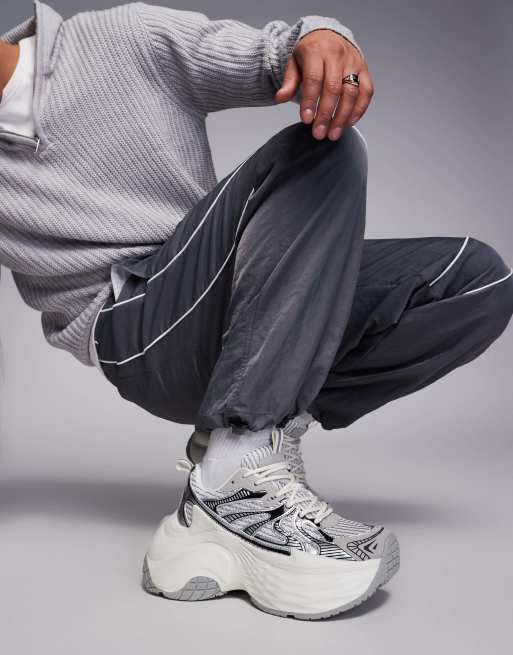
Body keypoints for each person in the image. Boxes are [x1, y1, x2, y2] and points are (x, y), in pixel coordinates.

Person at [1, 0, 512, 620]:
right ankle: (233, 480)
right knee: (320, 156)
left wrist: (329, 42)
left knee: (476, 282)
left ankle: (245, 442)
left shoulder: (118, 41)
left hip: (234, 309)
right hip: (138, 334)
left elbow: (287, 52)